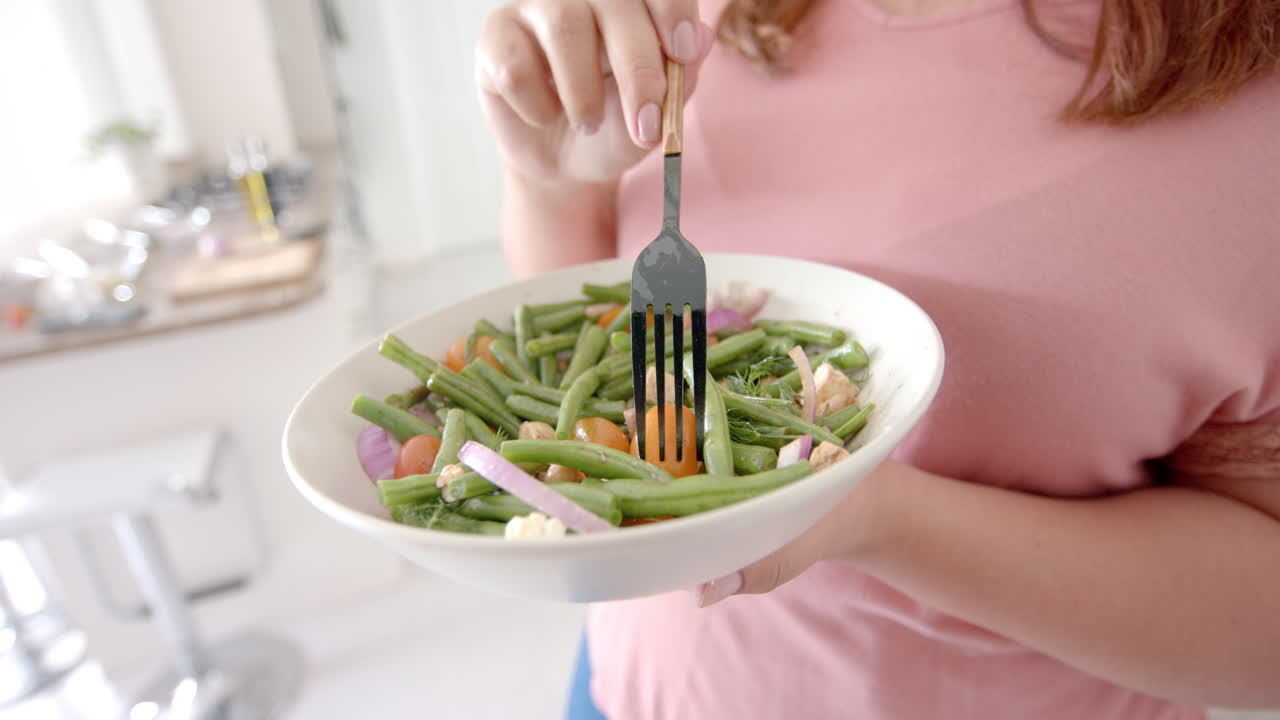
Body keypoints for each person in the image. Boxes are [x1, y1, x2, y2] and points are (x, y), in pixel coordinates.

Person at [475, 0, 1280, 717]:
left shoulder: (1252, 108)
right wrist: (551, 180)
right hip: (634, 691)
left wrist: (875, 517)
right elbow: (601, 336)